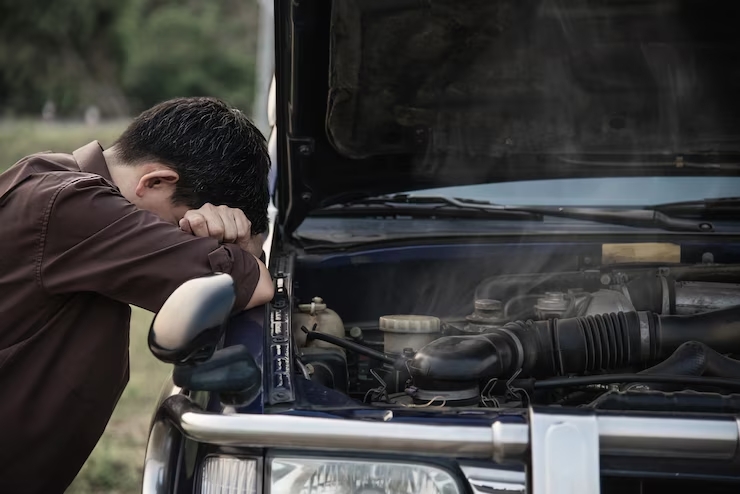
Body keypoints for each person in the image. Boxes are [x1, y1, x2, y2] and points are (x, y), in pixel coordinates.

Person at [0, 97, 275, 493]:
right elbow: (254, 284)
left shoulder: (51, 177)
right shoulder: (73, 206)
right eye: (185, 230)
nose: (181, 244)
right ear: (155, 182)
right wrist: (242, 247)